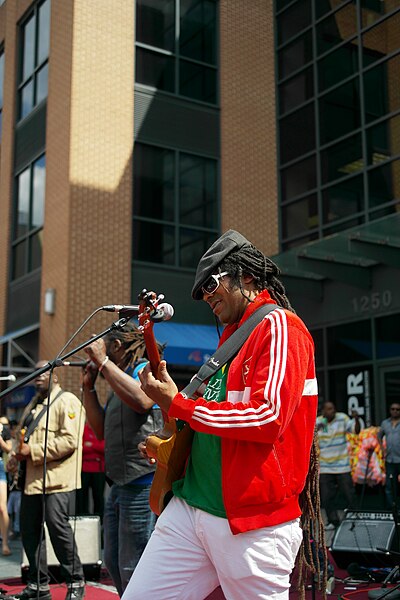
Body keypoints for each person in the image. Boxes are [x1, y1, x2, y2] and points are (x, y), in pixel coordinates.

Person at [122, 229, 322, 600]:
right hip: (189, 507)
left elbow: (267, 417)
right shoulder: (231, 337)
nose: (206, 296)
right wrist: (172, 407)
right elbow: (207, 415)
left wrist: (180, 404)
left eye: (212, 283)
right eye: (200, 292)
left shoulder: (279, 327)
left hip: (252, 524)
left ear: (246, 275)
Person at [81, 323, 163, 597]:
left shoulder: (143, 369)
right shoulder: (118, 382)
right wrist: (87, 388)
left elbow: (142, 399)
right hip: (118, 483)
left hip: (141, 483)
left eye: (104, 346)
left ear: (116, 346)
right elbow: (100, 428)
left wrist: (103, 362)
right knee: (114, 563)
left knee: (133, 564)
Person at [6, 362, 86, 600]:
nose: (38, 378)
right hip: (32, 481)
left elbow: (70, 441)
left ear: (56, 375)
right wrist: (13, 457)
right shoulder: (34, 405)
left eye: (43, 373)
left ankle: (75, 582)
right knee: (30, 532)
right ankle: (38, 585)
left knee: (57, 528)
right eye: (35, 374)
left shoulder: (67, 401)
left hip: (57, 481)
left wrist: (33, 451)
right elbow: (21, 438)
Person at [317, 401, 361, 529]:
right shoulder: (320, 421)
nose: (332, 411)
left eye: (333, 409)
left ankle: (355, 515)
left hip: (342, 464)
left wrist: (356, 419)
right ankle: (333, 521)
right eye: (328, 409)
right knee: (326, 496)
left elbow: (355, 431)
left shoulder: (342, 418)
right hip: (325, 465)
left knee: (349, 492)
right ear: (323, 411)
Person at [75, 421, 105, 523]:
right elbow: (80, 446)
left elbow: (104, 447)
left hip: (98, 469)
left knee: (98, 497)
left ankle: (100, 521)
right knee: (82, 498)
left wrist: (91, 445)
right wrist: (95, 446)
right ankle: (82, 520)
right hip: (84, 469)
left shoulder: (101, 428)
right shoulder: (83, 429)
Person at [378, 402, 400, 508]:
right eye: (393, 409)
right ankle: (392, 509)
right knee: (390, 486)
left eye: (397, 409)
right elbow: (379, 436)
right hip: (390, 459)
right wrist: (382, 449)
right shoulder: (385, 423)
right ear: (390, 410)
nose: (395, 411)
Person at [6, 419, 22, 540]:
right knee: (9, 509)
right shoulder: (11, 441)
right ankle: (9, 530)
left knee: (17, 509)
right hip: (10, 480)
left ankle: (16, 529)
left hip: (19, 483)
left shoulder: (18, 441)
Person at [0, 416, 12, 556]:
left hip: (0, 466)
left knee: (3, 508)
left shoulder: (4, 429)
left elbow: (9, 449)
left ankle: (5, 543)